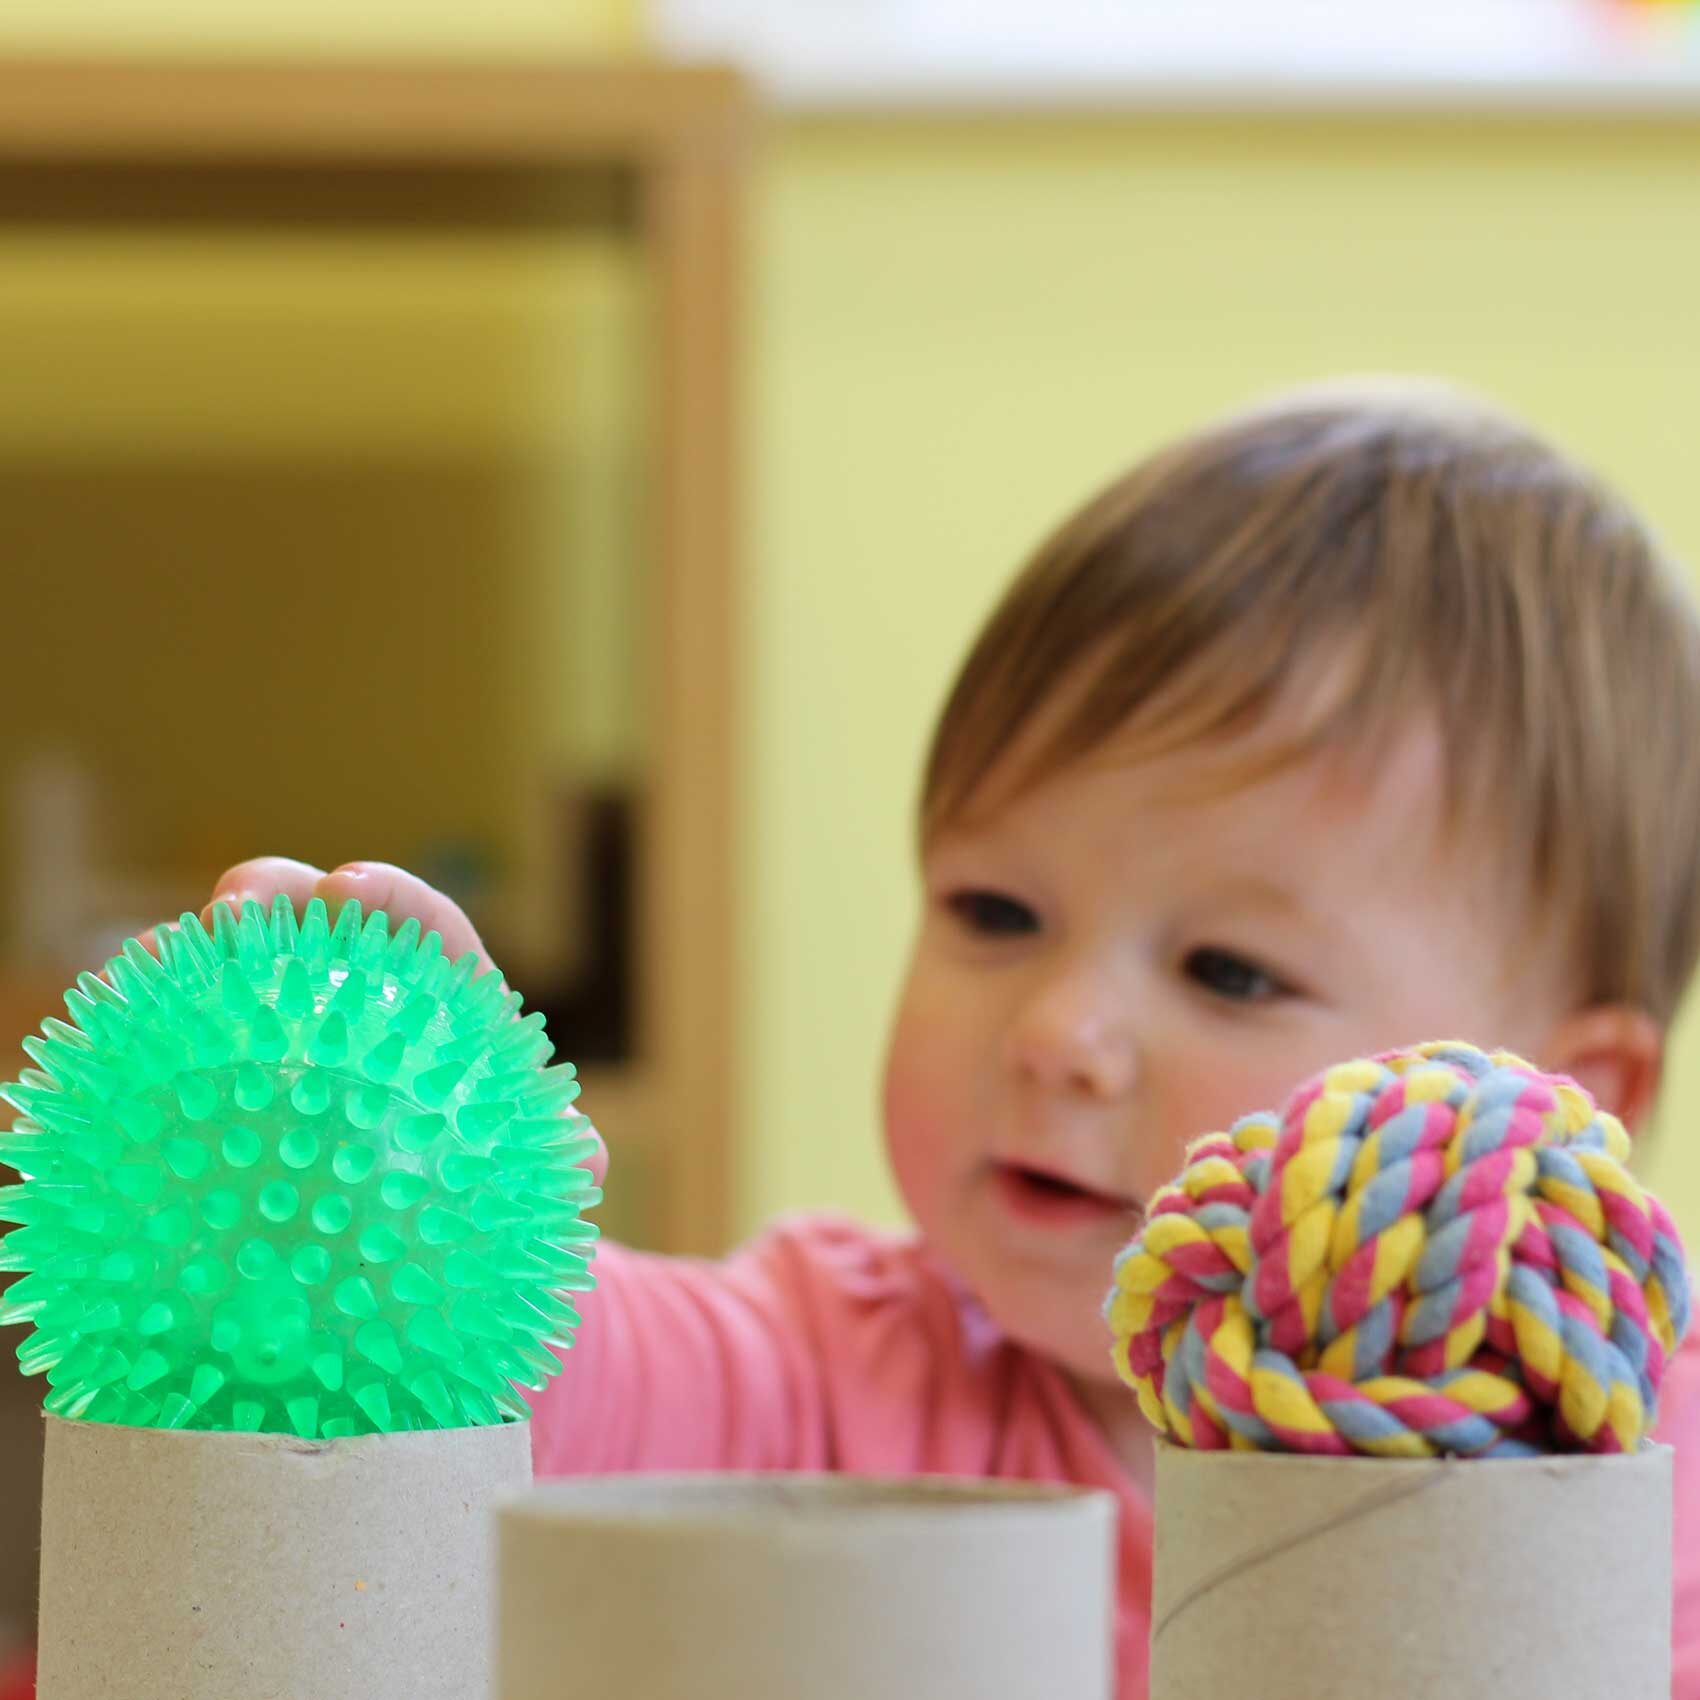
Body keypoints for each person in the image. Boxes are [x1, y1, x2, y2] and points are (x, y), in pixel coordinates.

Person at [182, 380, 1700, 1696]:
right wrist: (429, 1197)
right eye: (993, 910)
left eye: (1229, 971)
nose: (1059, 1034)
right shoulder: (833, 1369)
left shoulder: (1645, 1479)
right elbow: (561, 1364)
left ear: (1572, 1110)